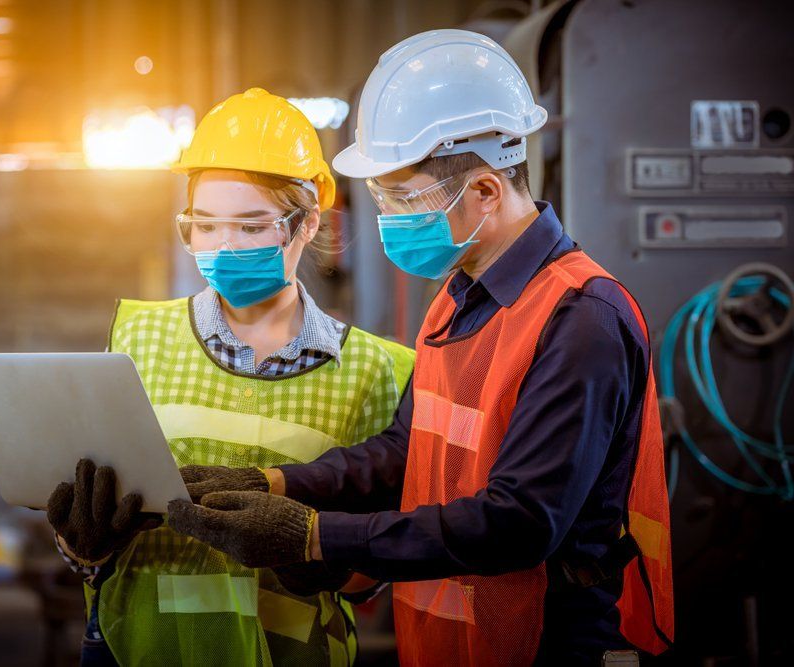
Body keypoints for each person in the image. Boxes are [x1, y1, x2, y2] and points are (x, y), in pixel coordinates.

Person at [168, 31, 674, 666]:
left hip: (549, 643)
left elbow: (519, 522)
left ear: (486, 192)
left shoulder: (581, 319)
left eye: (402, 197)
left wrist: (315, 537)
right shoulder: (459, 296)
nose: (387, 217)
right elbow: (406, 450)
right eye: (381, 198)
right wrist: (273, 483)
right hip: (450, 640)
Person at [45, 87, 415, 666]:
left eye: (250, 226)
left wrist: (307, 553)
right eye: (206, 225)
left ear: (307, 223)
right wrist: (81, 544)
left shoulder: (377, 371)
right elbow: (94, 517)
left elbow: (374, 568)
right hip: (136, 647)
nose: (224, 245)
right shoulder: (137, 338)